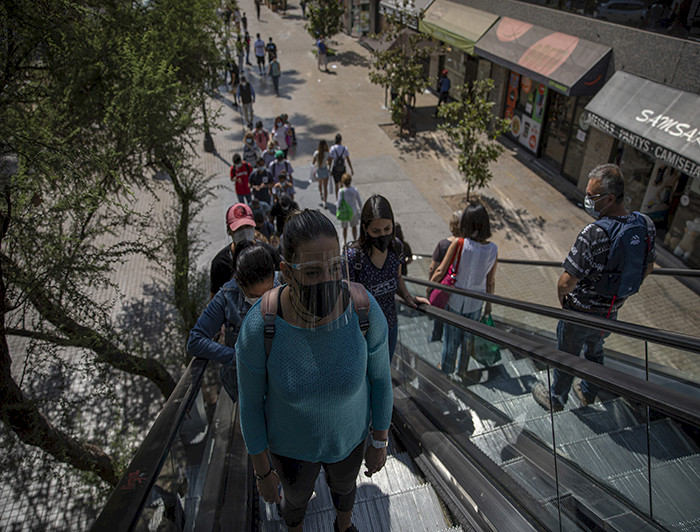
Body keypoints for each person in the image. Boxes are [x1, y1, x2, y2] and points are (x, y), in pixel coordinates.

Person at [236, 209, 392, 532]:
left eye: (335, 267)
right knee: (295, 500)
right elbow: (249, 404)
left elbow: (380, 380)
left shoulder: (363, 311)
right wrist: (263, 472)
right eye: (311, 273)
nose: (327, 280)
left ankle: (344, 525)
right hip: (290, 451)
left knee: (346, 489)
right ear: (286, 272)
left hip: (349, 441)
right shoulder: (261, 326)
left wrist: (379, 440)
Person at [532, 164, 656, 412]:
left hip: (579, 313)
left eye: (592, 196)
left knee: (567, 356)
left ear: (610, 199)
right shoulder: (645, 224)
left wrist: (564, 302)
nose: (587, 200)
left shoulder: (594, 233)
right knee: (595, 349)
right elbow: (649, 267)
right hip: (610, 312)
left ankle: (556, 398)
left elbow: (566, 282)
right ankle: (588, 391)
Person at [188, 241, 280, 400]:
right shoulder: (226, 296)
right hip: (243, 388)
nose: (262, 303)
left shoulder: (285, 282)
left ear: (274, 274)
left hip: (278, 385)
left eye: (268, 294)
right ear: (239, 283)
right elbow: (195, 341)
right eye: (254, 297)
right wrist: (238, 357)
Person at [347, 195, 429, 360]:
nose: (382, 235)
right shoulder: (354, 257)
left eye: (387, 229)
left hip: (390, 325)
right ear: (365, 228)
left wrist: (407, 297)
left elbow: (397, 277)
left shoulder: (396, 247)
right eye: (376, 231)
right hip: (364, 332)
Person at [430, 204, 497, 378]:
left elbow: (440, 271)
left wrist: (430, 289)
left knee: (451, 340)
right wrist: (488, 306)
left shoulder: (459, 244)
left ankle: (447, 371)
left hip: (455, 301)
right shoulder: (493, 250)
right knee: (468, 339)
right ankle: (463, 371)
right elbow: (490, 283)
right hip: (476, 303)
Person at [427, 210, 462, 342]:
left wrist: (430, 285)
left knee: (439, 314)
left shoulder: (443, 244)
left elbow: (433, 268)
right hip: (457, 287)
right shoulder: (465, 244)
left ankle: (436, 336)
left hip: (442, 286)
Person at [210, 203, 257, 297]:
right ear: (229, 231)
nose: (244, 232)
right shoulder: (219, 263)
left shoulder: (269, 253)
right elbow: (214, 298)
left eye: (248, 227)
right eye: (238, 229)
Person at [336, 174, 362, 244]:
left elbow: (339, 202)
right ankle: (355, 240)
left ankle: (344, 241)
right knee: (354, 227)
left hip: (344, 212)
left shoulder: (341, 191)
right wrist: (360, 209)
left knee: (344, 228)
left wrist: (338, 210)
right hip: (353, 212)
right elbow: (359, 201)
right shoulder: (354, 190)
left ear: (342, 181)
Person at [328, 134, 354, 199]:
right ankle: (342, 198)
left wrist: (329, 169)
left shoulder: (332, 148)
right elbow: (348, 159)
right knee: (342, 185)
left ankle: (337, 199)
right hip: (342, 169)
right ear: (341, 140)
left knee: (336, 185)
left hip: (335, 169)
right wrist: (351, 168)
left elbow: (330, 160)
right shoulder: (345, 148)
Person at [312, 139, 330, 206]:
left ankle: (321, 194)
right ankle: (325, 201)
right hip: (325, 170)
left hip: (319, 170)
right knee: (325, 187)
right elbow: (329, 162)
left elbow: (313, 163)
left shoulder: (316, 153)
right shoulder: (327, 153)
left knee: (320, 184)